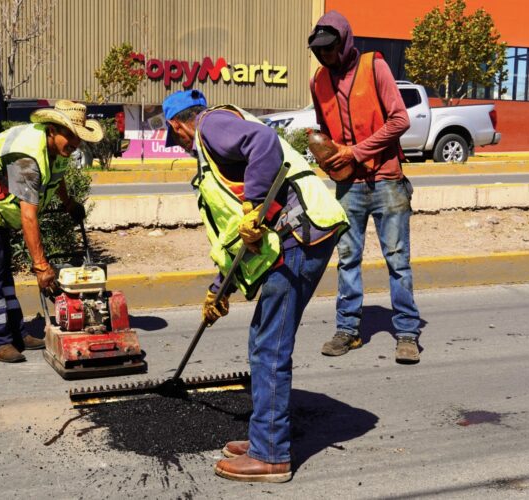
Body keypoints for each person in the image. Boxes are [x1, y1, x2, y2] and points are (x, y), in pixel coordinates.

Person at [162, 89, 348, 482]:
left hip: (301, 234)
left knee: (270, 345)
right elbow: (239, 232)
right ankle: (265, 433)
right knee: (263, 339)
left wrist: (255, 204)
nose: (179, 146)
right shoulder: (217, 156)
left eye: (174, 137)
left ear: (177, 125)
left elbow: (264, 143)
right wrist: (219, 289)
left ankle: (271, 455)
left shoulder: (211, 125)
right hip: (294, 237)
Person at [308, 11, 422, 364]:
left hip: (387, 179)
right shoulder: (318, 82)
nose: (326, 56)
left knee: (397, 261)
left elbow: (400, 119)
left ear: (344, 41)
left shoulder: (375, 67)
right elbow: (325, 129)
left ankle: (406, 333)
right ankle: (348, 330)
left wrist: (356, 151)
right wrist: (326, 154)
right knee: (347, 261)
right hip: (349, 186)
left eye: (330, 49)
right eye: (320, 52)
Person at [0, 100, 102, 363]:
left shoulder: (57, 151)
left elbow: (57, 177)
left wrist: (69, 204)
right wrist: (41, 266)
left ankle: (17, 332)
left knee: (2, 264)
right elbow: (28, 215)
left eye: (79, 138)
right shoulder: (27, 157)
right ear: (52, 130)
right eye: (70, 135)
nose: (76, 143)